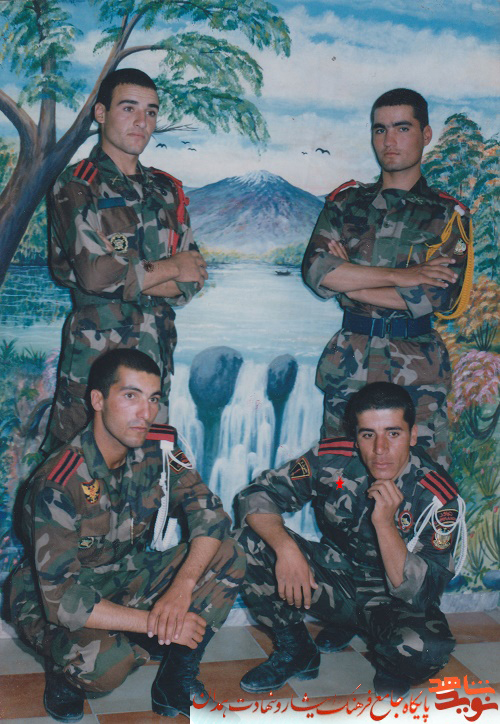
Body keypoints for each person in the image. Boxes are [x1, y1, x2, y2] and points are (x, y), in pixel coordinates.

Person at [9, 349, 245, 722]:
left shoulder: (161, 450)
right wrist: (154, 621)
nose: (145, 412)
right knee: (105, 665)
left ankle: (175, 681)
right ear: (98, 400)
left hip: (122, 571)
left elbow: (211, 514)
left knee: (227, 552)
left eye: (153, 399)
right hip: (50, 594)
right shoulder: (58, 481)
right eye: (131, 396)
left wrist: (181, 587)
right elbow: (62, 599)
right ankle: (63, 672)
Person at [233, 382, 466, 699]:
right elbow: (257, 496)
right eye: (368, 434)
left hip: (392, 602)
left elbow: (420, 593)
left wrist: (385, 524)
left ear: (413, 435)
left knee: (428, 649)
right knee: (243, 543)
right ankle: (297, 650)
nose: (380, 448)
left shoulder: (437, 495)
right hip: (334, 580)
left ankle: (389, 663)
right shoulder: (331, 460)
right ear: (356, 436)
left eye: (393, 433)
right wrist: (286, 549)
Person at [302, 88, 472, 471]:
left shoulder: (448, 215)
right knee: (340, 481)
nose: (389, 140)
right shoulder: (345, 204)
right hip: (350, 366)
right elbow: (317, 272)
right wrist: (403, 277)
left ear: (425, 135)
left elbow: (436, 296)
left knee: (425, 482)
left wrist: (348, 282)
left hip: (418, 374)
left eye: (402, 128)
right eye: (380, 129)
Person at [42, 68, 208, 454]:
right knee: (76, 469)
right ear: (101, 113)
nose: (141, 121)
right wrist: (170, 268)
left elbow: (193, 278)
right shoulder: (78, 184)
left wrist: (132, 273)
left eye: (151, 112)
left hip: (155, 359)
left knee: (144, 471)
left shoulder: (166, 191)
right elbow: (95, 275)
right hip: (97, 361)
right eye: (129, 108)